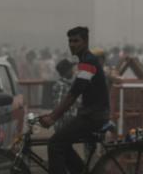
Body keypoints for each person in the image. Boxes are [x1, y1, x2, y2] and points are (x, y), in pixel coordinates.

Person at [40, 27, 110, 174]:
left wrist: (53, 117)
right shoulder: (86, 61)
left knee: (54, 144)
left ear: (85, 42)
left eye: (76, 41)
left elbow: (73, 94)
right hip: (91, 114)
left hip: (93, 116)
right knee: (63, 143)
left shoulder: (89, 62)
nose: (72, 44)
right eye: (70, 41)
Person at [51, 60, 77, 129]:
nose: (73, 71)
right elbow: (60, 107)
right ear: (67, 71)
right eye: (71, 69)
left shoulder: (65, 84)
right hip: (64, 125)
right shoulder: (62, 86)